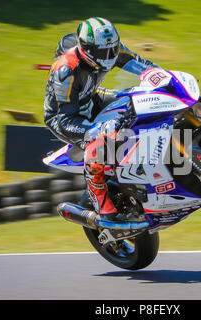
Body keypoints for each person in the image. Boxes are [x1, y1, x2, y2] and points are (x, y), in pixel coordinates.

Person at [44, 17, 159, 220]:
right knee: (98, 139)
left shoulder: (112, 49)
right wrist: (98, 129)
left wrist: (164, 79)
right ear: (87, 48)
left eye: (112, 49)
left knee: (135, 100)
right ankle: (99, 199)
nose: (108, 56)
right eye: (102, 52)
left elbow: (144, 66)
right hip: (65, 117)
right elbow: (65, 117)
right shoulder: (65, 70)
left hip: (91, 97)